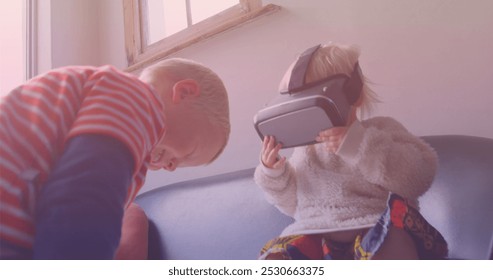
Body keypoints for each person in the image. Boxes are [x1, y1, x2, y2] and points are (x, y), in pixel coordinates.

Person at [0, 58, 230, 259]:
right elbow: (85, 201)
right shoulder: (138, 99)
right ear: (184, 92)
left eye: (179, 166)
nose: (172, 167)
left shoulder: (120, 120)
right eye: (188, 154)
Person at [254, 43, 447, 260]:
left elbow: (417, 177)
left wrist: (359, 145)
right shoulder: (306, 151)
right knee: (279, 256)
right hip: (317, 234)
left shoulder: (380, 131)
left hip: (374, 226)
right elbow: (293, 205)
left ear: (354, 95)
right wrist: (274, 174)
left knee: (388, 243)